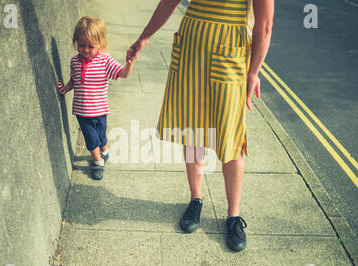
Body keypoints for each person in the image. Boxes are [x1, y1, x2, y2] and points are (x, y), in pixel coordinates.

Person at [127, 0, 274, 251]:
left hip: (231, 50)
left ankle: (233, 215)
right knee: (192, 128)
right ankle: (196, 198)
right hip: (191, 44)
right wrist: (144, 37)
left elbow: (265, 24)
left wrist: (253, 72)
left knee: (230, 135)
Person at [59, 16, 135, 180]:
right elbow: (75, 80)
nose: (85, 49)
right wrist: (66, 88)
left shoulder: (105, 61)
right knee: (91, 139)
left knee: (101, 136)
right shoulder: (74, 61)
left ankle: (104, 152)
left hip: (100, 110)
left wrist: (129, 63)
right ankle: (98, 162)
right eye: (81, 45)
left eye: (90, 46)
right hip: (81, 111)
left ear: (101, 44)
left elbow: (123, 74)